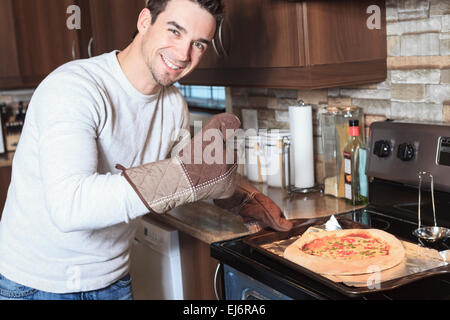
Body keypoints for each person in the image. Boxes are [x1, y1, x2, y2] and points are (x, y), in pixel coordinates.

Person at [0, 0, 291, 300]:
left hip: (113, 279)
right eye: (174, 31)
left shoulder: (173, 105)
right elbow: (70, 206)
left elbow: (183, 175)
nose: (183, 54)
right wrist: (186, 174)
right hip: (36, 284)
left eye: (199, 44)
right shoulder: (74, 88)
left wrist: (241, 197)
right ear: (144, 22)